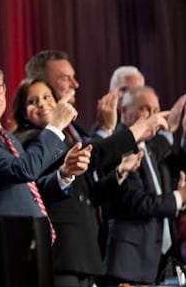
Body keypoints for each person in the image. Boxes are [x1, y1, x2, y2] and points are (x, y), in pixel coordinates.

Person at [11, 77, 167, 287]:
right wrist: (135, 132)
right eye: (32, 101)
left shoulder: (65, 139)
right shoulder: (30, 141)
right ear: (22, 113)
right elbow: (95, 154)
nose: (41, 104)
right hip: (61, 254)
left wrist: (120, 172)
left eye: (47, 97)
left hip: (84, 254)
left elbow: (89, 195)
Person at [0, 60, 92, 227]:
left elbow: (31, 191)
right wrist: (55, 125)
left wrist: (64, 173)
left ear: (4, 89)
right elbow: (23, 170)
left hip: (24, 241)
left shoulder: (7, 138)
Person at [103, 85, 186, 286]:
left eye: (155, 110)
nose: (151, 115)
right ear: (123, 111)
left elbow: (177, 172)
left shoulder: (150, 144)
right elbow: (135, 202)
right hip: (129, 262)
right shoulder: (118, 144)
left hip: (159, 258)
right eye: (144, 108)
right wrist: (181, 196)